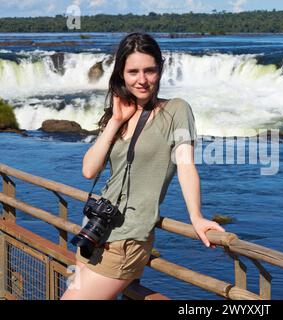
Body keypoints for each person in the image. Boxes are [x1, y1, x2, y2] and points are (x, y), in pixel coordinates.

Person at [61, 32, 225, 300]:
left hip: (128, 240)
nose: (142, 79)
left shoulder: (177, 110)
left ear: (160, 69)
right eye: (133, 71)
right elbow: (89, 170)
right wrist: (115, 121)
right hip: (94, 230)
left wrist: (196, 216)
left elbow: (185, 165)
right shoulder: (119, 112)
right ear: (121, 74)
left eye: (149, 70)